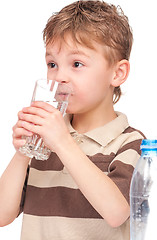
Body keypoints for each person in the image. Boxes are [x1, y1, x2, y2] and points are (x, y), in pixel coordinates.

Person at [0, 1, 145, 239]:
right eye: (52, 64)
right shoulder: (45, 141)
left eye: (77, 64)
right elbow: (3, 215)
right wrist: (23, 152)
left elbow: (117, 212)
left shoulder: (132, 143)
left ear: (117, 73)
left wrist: (63, 143)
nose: (60, 77)